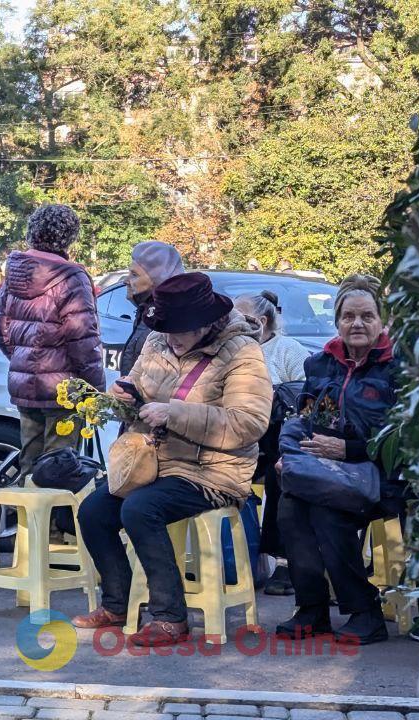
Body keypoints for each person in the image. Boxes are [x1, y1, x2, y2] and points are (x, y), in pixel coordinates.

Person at [74, 273, 271, 646]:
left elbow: (249, 423)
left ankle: (170, 617)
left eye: (179, 329)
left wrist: (174, 413)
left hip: (213, 470)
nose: (171, 336)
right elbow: (139, 392)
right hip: (155, 462)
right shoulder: (156, 341)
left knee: (139, 509)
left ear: (206, 322)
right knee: (93, 511)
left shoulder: (242, 352)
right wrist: (122, 398)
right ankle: (118, 604)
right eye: (165, 328)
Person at [276, 274, 402, 646]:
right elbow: (308, 416)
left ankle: (365, 611)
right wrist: (293, 455)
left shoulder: (399, 367)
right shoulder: (321, 363)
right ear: (337, 320)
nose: (357, 324)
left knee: (328, 513)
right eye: (349, 316)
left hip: (381, 474)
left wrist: (351, 451)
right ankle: (312, 608)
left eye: (367, 316)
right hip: (327, 470)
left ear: (383, 320)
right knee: (290, 505)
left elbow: (405, 436)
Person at [0, 204, 104, 472]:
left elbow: (1, 327)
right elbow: (83, 339)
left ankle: (25, 514)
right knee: (59, 470)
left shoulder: (15, 272)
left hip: (24, 386)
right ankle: (53, 516)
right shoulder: (71, 276)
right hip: (62, 390)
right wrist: (95, 387)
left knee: (29, 465)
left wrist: (25, 357)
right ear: (69, 236)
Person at [235, 290, 308, 596]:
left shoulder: (287, 349)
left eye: (242, 319)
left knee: (284, 469)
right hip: (242, 435)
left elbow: (306, 402)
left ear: (261, 322)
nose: (235, 325)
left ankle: (283, 561)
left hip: (276, 437)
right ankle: (236, 559)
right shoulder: (232, 351)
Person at [118, 241, 184, 376]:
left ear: (159, 279)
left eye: (134, 274)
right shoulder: (148, 311)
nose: (126, 280)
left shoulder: (170, 316)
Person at [235, 291, 307, 384]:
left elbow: (308, 388)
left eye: (239, 316)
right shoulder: (225, 347)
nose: (232, 320)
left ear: (262, 321)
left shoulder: (289, 350)